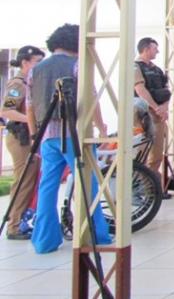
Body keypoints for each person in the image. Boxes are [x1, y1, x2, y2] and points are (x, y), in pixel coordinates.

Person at [27, 24, 110, 254]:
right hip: (75, 135)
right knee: (88, 185)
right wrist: (101, 128)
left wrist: (36, 135)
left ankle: (44, 240)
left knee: (47, 187)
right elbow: (91, 98)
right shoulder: (77, 66)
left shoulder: (36, 70)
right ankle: (96, 234)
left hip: (47, 137)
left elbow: (30, 106)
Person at [1, 45, 44, 239]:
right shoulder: (18, 84)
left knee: (30, 180)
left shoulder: (30, 82)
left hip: (28, 136)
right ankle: (14, 225)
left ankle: (19, 221)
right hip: (20, 137)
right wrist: (30, 119)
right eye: (37, 62)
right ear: (25, 63)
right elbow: (7, 110)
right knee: (23, 181)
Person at [134, 37, 170, 176]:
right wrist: (156, 108)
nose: (158, 51)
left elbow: (166, 90)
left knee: (157, 152)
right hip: (142, 114)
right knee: (140, 150)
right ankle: (137, 185)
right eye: (155, 48)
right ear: (146, 49)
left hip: (158, 115)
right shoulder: (135, 67)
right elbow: (140, 90)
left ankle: (151, 185)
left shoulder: (157, 70)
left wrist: (164, 108)